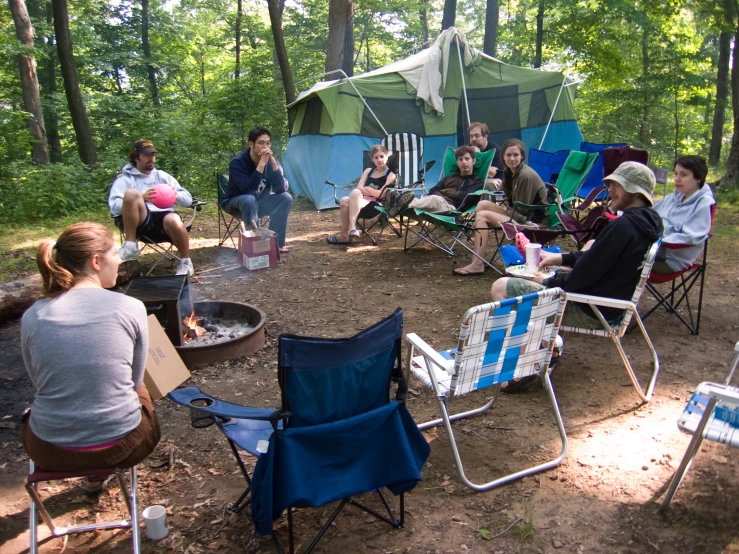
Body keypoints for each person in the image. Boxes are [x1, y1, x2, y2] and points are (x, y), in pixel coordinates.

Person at [21, 223, 160, 490]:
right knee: (141, 387)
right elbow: (133, 381)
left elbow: (37, 381)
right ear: (96, 261)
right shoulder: (130, 306)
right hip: (123, 446)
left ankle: (93, 475)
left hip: (48, 450)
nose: (119, 260)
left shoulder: (33, 315)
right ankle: (99, 472)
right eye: (114, 253)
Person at [453, 138, 549, 276]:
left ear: (522, 156)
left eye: (516, 155)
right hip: (518, 214)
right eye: (508, 155)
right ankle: (478, 258)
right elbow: (512, 203)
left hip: (532, 222)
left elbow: (521, 212)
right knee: (482, 204)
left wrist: (498, 216)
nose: (512, 158)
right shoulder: (510, 173)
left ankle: (478, 264)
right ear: (503, 157)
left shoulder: (525, 175)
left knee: (482, 215)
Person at [109, 139, 195, 276]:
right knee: (132, 194)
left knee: (174, 220)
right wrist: (140, 199)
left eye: (153, 155)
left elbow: (188, 200)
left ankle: (186, 262)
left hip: (164, 218)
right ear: (136, 157)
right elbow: (114, 207)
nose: (152, 159)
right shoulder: (124, 180)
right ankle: (130, 246)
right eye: (147, 155)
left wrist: (173, 193)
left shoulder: (162, 176)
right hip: (140, 222)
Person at [224, 127, 293, 253]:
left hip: (260, 203)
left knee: (286, 198)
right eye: (261, 143)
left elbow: (281, 188)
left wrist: (272, 162)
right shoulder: (237, 163)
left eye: (267, 143)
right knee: (249, 199)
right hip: (236, 203)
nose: (265, 147)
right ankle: (255, 245)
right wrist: (261, 164)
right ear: (251, 144)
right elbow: (248, 189)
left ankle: (276, 243)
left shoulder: (271, 162)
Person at [652, 155, 715, 274]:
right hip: (650, 251)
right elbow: (652, 214)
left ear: (699, 178)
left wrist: (658, 242)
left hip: (668, 260)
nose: (677, 179)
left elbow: (691, 237)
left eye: (683, 174)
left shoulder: (703, 203)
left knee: (619, 258)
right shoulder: (675, 196)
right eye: (676, 174)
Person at [326, 144, 396, 245]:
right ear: (372, 159)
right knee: (344, 200)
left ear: (387, 156)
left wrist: (367, 189)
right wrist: (371, 191)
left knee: (354, 193)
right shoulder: (368, 171)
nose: (379, 160)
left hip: (374, 205)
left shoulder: (391, 175)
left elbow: (382, 195)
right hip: (360, 200)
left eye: (381, 156)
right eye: (376, 157)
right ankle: (345, 235)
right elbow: (359, 188)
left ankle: (351, 229)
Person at [385, 146, 484, 217]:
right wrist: (446, 193)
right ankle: (401, 203)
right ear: (457, 163)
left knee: (435, 199)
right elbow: (433, 190)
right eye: (460, 159)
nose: (464, 162)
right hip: (436, 203)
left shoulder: (477, 182)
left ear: (473, 161)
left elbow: (464, 196)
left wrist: (444, 192)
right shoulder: (449, 178)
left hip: (452, 208)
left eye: (467, 159)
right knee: (433, 198)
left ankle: (398, 203)